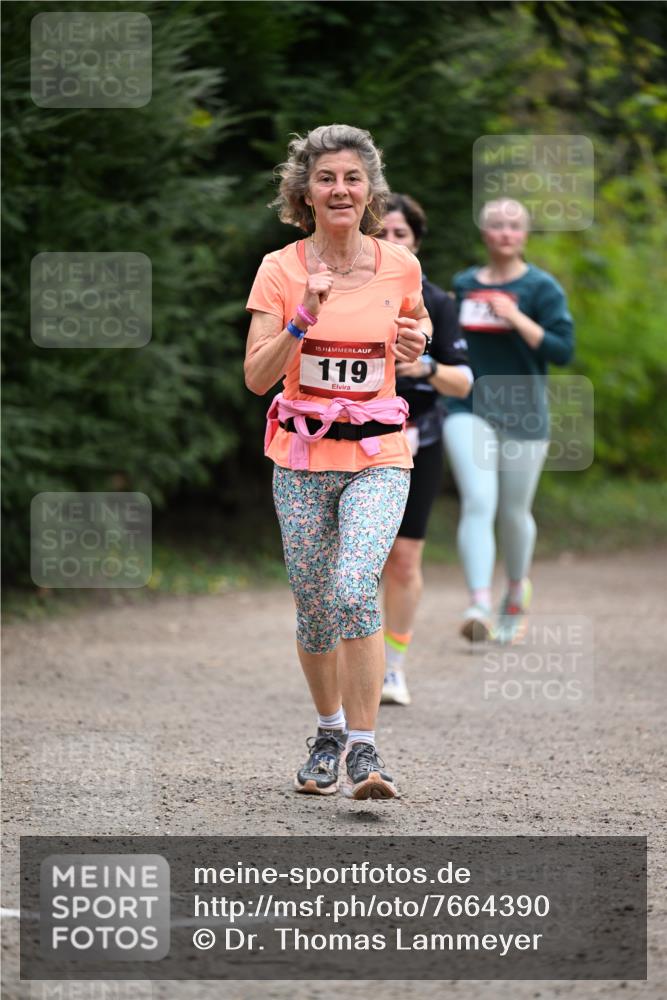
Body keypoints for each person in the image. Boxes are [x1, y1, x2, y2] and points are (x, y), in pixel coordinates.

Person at [244, 125, 432, 799]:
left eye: (353, 177)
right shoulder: (280, 269)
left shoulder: (399, 265)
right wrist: (302, 318)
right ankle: (327, 733)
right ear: (304, 192)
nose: (340, 189)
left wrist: (417, 341)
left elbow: (416, 325)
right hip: (300, 458)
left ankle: (364, 748)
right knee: (314, 607)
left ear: (370, 189)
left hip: (379, 454)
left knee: (354, 587)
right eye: (326, 178)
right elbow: (256, 377)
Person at [443, 198, 574, 644]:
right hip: (468, 407)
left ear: (525, 234)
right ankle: (478, 604)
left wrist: (515, 316)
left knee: (513, 512)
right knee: (478, 500)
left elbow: (562, 350)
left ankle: (515, 593)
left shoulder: (542, 288)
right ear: (484, 232)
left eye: (514, 226)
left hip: (524, 411)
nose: (505, 233)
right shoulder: (464, 285)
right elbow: (452, 344)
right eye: (497, 224)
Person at [377, 194, 472, 705]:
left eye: (401, 234)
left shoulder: (438, 302)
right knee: (357, 560)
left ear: (415, 243)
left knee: (404, 559)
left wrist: (426, 367)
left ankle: (393, 668)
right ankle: (354, 663)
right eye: (382, 233)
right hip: (357, 439)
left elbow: (464, 382)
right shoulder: (346, 294)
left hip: (420, 439)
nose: (391, 242)